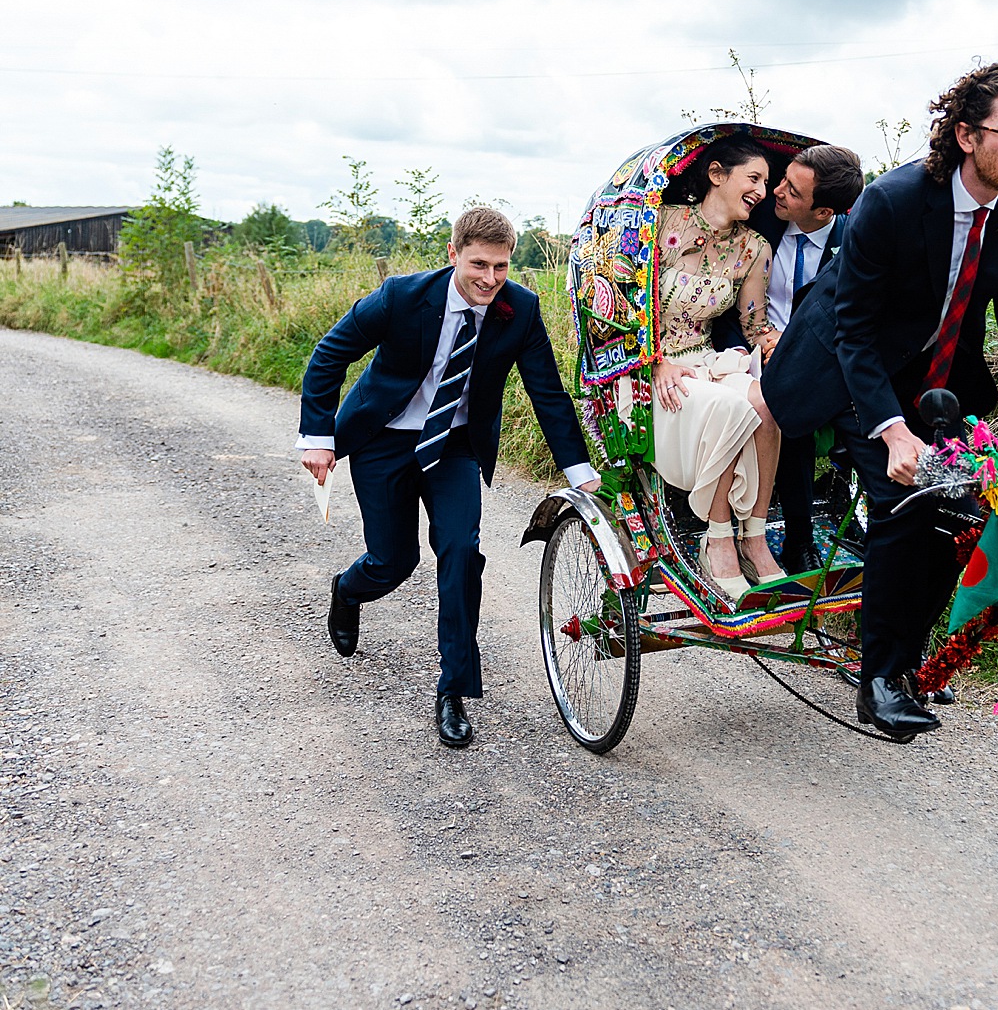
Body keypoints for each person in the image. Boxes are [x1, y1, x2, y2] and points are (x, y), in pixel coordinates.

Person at [762, 64, 998, 740]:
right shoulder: (893, 200)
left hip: (938, 378)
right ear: (968, 135)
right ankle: (879, 678)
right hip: (851, 367)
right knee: (901, 500)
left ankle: (903, 659)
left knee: (962, 514)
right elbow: (853, 327)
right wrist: (891, 429)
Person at [297, 207, 599, 749]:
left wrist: (578, 471)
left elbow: (547, 394)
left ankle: (453, 689)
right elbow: (329, 354)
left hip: (456, 445)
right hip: (384, 438)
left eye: (501, 267)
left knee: (460, 551)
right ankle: (348, 589)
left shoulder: (520, 311)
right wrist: (318, 437)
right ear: (453, 255)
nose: (489, 279)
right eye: (478, 264)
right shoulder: (402, 297)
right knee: (394, 561)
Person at [649, 135, 788, 602]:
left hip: (708, 362)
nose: (763, 191)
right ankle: (719, 537)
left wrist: (780, 345)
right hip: (656, 368)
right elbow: (623, 307)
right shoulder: (661, 226)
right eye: (754, 178)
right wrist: (655, 362)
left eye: (767, 182)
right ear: (716, 175)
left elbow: (754, 325)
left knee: (768, 403)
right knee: (732, 407)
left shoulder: (754, 247)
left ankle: (755, 534)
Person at [723, 144, 864, 573]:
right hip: (746, 348)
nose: (776, 192)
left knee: (829, 402)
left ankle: (862, 522)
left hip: (820, 357)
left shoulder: (854, 243)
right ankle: (798, 539)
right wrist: (757, 342)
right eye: (782, 179)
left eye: (792, 191)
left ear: (824, 213)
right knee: (788, 402)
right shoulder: (760, 220)